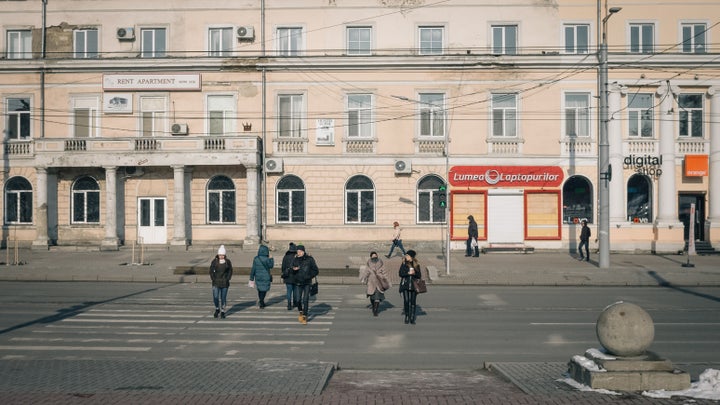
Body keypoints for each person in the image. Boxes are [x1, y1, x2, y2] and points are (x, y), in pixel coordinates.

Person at [291, 245, 319, 325]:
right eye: (297, 251)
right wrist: (293, 270)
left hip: (307, 282)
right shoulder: (295, 259)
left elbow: (316, 270)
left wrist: (309, 276)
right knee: (297, 300)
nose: (298, 253)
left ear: (303, 251)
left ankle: (304, 316)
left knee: (305, 300)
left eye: (299, 251)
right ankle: (300, 311)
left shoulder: (309, 259)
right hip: (298, 282)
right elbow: (291, 269)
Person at [359, 251, 390, 317]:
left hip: (379, 282)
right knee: (372, 297)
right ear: (371, 257)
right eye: (373, 256)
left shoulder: (380, 262)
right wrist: (363, 279)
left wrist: (387, 280)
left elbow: (384, 272)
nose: (374, 257)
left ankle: (375, 310)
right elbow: (366, 272)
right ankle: (373, 306)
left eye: (375, 256)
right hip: (371, 282)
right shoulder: (368, 263)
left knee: (377, 298)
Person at [398, 250, 422, 325]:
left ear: (411, 257)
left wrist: (414, 273)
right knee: (406, 301)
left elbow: (419, 276)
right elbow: (400, 273)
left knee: (412, 302)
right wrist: (407, 273)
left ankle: (412, 317)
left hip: (414, 285)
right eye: (406, 255)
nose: (406, 257)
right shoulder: (404, 263)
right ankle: (407, 316)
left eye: (407, 255)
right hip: (405, 285)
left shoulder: (416, 265)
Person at [209, 245, 233, 319]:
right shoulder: (214, 261)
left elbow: (230, 270)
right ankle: (217, 309)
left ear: (224, 255)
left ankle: (222, 311)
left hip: (224, 283)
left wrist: (228, 278)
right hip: (216, 282)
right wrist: (213, 278)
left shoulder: (227, 262)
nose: (221, 256)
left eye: (222, 255)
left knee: (223, 298)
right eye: (220, 255)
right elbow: (211, 271)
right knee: (215, 297)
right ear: (218, 254)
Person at [281, 242, 298, 310]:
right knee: (295, 290)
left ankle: (289, 304)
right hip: (295, 276)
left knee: (289, 291)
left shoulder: (285, 257)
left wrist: (284, 272)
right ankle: (294, 303)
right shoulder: (297, 257)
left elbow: (283, 267)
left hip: (287, 276)